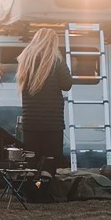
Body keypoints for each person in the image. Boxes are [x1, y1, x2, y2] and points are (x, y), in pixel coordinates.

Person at [16, 28, 73, 197]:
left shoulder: (25, 60)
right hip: (52, 121)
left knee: (31, 159)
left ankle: (30, 193)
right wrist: (63, 63)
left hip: (30, 121)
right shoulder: (56, 61)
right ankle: (44, 194)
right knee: (50, 158)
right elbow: (67, 84)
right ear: (53, 43)